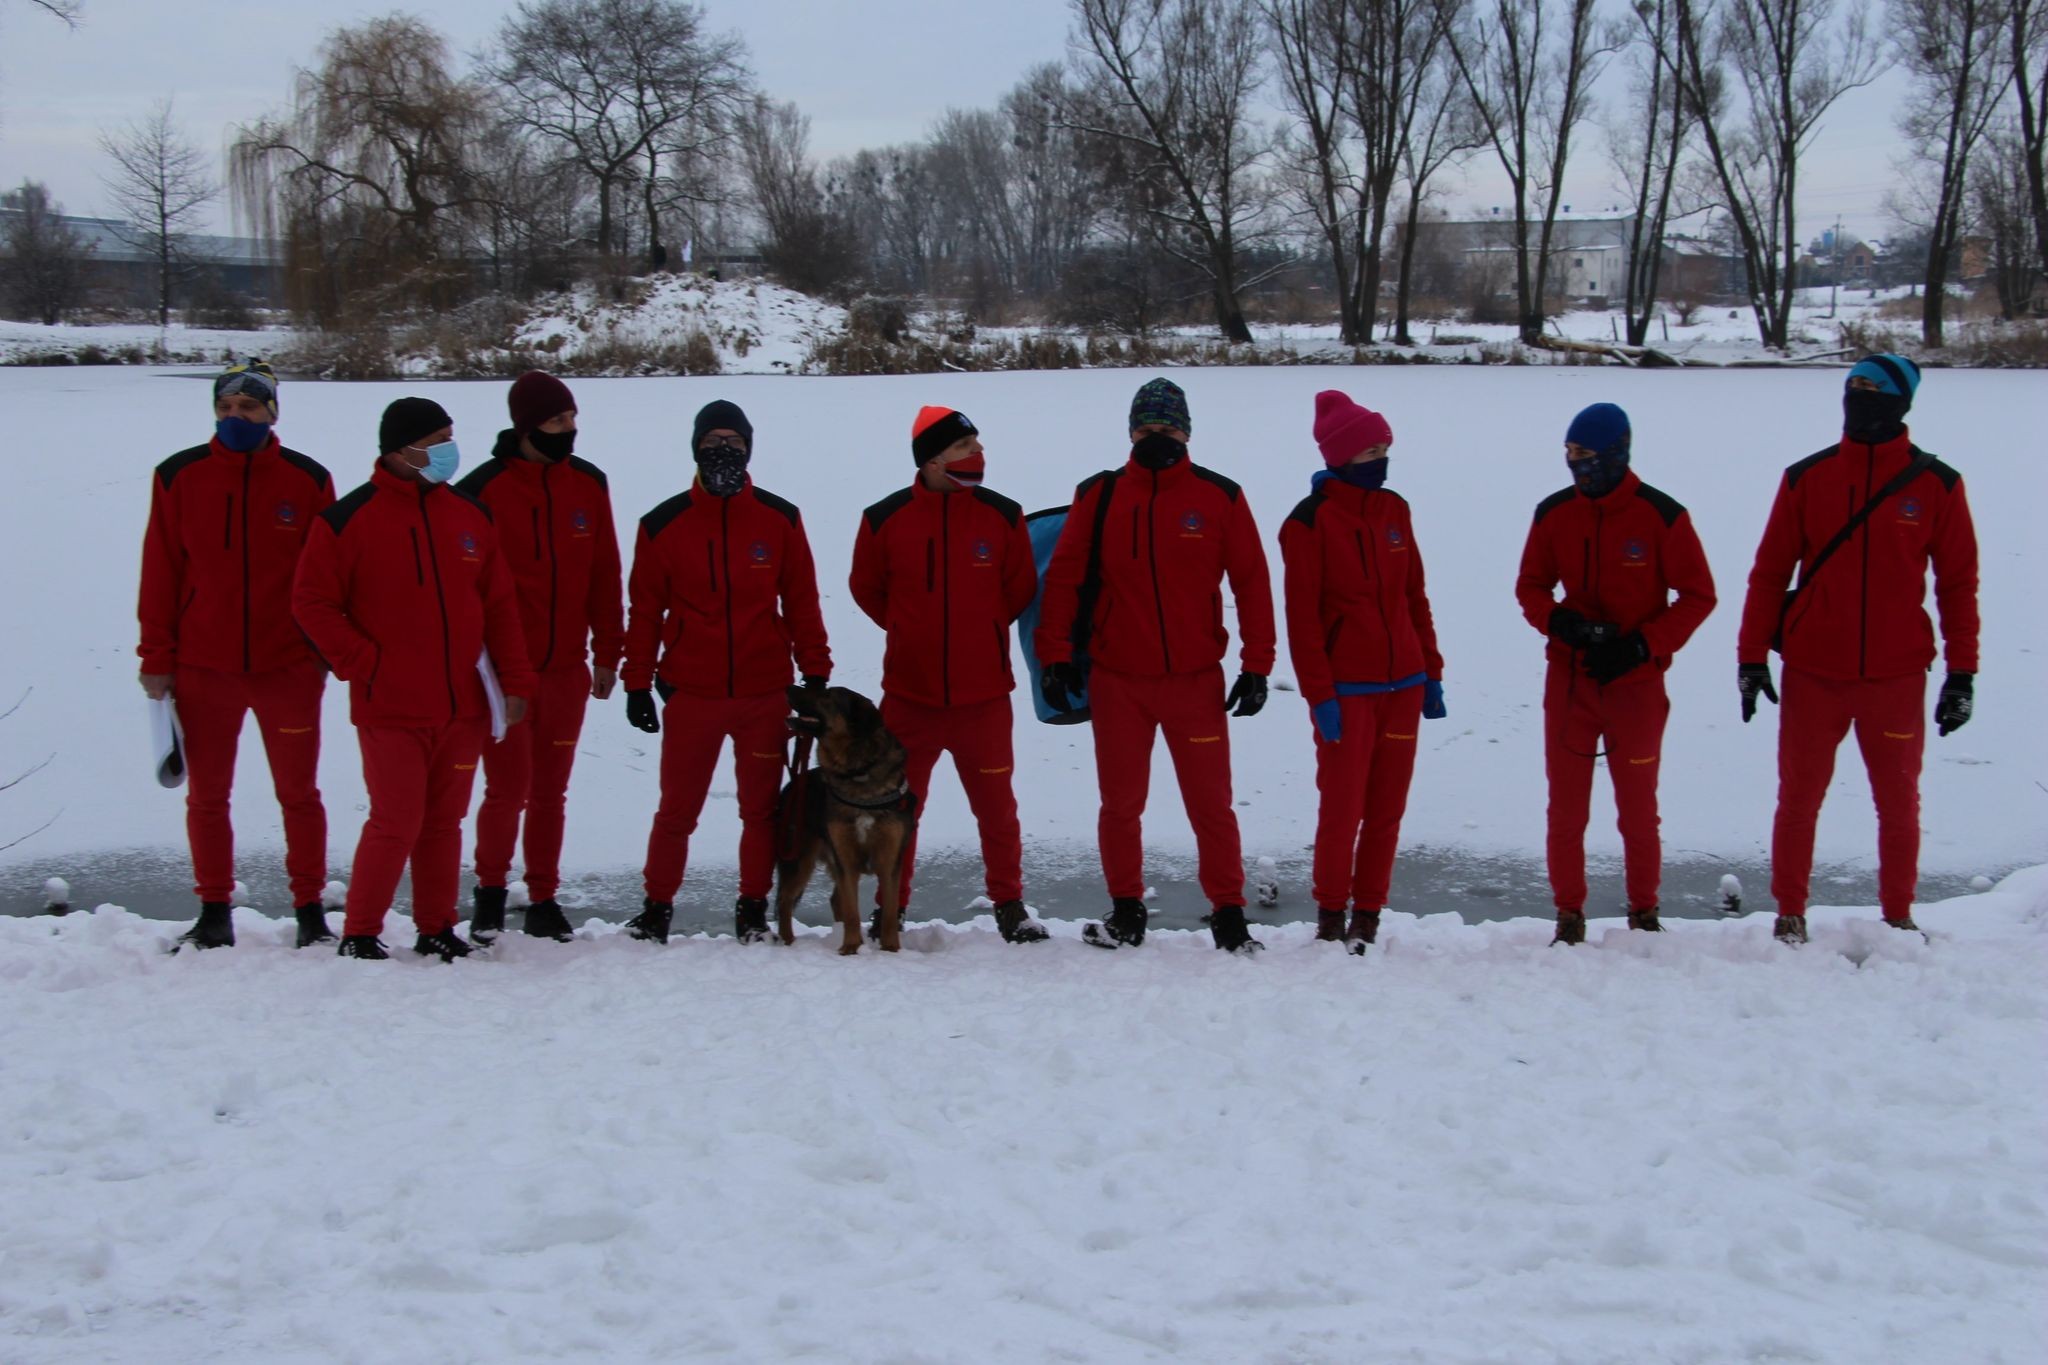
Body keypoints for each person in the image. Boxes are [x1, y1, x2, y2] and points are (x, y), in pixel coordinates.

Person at [1735, 355, 1979, 943]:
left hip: (1896, 676)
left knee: (1898, 803)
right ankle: (1790, 911)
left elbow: (1957, 584)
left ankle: (1897, 914)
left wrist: (1962, 672)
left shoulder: (1936, 485)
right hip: (1814, 671)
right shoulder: (1807, 478)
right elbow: (1768, 574)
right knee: (1798, 798)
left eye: (1874, 389)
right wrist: (1750, 657)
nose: (1860, 396)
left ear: (1901, 401)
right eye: (1853, 387)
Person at [1034, 377, 1277, 953]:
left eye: (1167, 429)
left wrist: (1258, 664)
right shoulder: (1100, 495)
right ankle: (1126, 910)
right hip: (1119, 681)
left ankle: (1229, 912)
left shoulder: (1220, 496)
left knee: (1211, 805)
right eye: (1146, 429)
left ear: (1187, 433)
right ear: (1131, 433)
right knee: (1120, 805)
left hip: (1195, 682)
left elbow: (1253, 583)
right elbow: (1065, 579)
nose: (1156, 438)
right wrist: (1054, 657)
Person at [293, 398, 536, 960]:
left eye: (451, 437)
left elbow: (498, 606)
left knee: (444, 821)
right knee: (396, 820)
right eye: (437, 441)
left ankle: (436, 927)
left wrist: (515, 681)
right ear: (400, 451)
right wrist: (364, 663)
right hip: (392, 706)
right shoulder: (347, 521)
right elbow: (312, 603)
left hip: (463, 705)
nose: (449, 451)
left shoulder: (470, 517)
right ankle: (360, 931)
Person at [136, 358, 336, 951]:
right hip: (204, 667)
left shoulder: (307, 479)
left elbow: (327, 577)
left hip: (287, 666)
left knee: (299, 794)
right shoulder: (179, 475)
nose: (235, 417)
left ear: (271, 412)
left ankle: (308, 910)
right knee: (207, 795)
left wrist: (322, 651)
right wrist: (157, 656)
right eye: (225, 408)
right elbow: (161, 571)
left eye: (248, 407)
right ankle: (214, 909)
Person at [619, 400, 831, 945]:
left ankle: (753, 906)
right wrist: (638, 683)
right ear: (695, 448)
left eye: (734, 444)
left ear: (749, 450)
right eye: (713, 442)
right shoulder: (662, 525)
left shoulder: (779, 519)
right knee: (676, 811)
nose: (724, 452)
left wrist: (815, 675)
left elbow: (802, 601)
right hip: (693, 694)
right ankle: (657, 906)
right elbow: (644, 612)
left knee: (759, 812)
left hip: (763, 692)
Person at [1514, 403, 1716, 945]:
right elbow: (1531, 585)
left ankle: (1644, 912)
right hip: (1571, 683)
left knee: (1638, 808)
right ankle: (1568, 914)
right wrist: (1559, 622)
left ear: (1616, 453)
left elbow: (1698, 595)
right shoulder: (1554, 513)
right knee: (1566, 808)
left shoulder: (1661, 516)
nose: (1577, 466)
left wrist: (1644, 645)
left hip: (1636, 686)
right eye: (1570, 456)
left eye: (1586, 456)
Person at [850, 406, 1046, 944]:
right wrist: (906, 628)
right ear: (933, 460)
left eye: (977, 443)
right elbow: (866, 587)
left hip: (983, 699)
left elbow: (1019, 588)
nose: (978, 454)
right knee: (899, 813)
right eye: (965, 447)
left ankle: (1009, 903)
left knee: (997, 810)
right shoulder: (883, 518)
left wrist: (979, 630)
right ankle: (891, 907)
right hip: (909, 700)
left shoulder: (1004, 516)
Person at [454, 372, 624, 943]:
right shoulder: (482, 490)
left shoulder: (588, 485)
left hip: (568, 669)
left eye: (572, 419)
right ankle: (491, 893)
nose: (568, 430)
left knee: (552, 790)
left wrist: (608, 650)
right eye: (555, 422)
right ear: (526, 426)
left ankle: (544, 895)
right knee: (507, 790)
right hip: (503, 676)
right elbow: (465, 588)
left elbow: (604, 572)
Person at [1280, 392, 1446, 954]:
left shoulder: (1394, 510)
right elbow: (1302, 620)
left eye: (1385, 447)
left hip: (1404, 684)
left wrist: (1432, 671)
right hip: (1346, 691)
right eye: (1370, 448)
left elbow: (1414, 595)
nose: (1381, 457)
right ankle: (1331, 911)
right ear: (1341, 454)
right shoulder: (1307, 524)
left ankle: (1368, 912)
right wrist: (1319, 694)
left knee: (1386, 809)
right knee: (1343, 807)